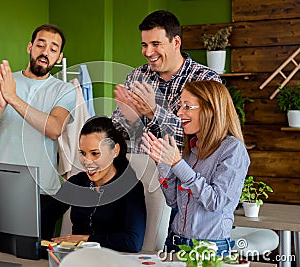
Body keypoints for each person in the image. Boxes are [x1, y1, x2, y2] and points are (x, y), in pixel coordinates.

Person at [141, 80, 250, 256]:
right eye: (180, 105)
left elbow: (216, 202)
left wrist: (177, 164)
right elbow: (173, 201)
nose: (179, 112)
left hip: (208, 250)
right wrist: (163, 163)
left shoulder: (232, 149)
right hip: (174, 243)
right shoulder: (191, 149)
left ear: (211, 110)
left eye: (187, 106)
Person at [0, 24, 76, 206]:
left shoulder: (65, 90)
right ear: (30, 47)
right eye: (40, 45)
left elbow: (54, 129)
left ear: (59, 57)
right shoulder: (1, 82)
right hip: (3, 188)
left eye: (53, 49)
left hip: (43, 191)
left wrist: (13, 98)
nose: (45, 52)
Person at [111, 10, 222, 154]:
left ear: (176, 42)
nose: (148, 52)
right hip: (137, 170)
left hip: (183, 173)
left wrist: (154, 112)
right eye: (144, 45)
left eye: (155, 44)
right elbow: (116, 136)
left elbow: (205, 138)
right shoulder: (136, 76)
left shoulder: (206, 79)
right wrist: (129, 120)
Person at [41, 116, 146, 253]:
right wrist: (44, 248)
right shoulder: (77, 183)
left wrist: (85, 239)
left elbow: (133, 242)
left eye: (95, 154)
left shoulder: (131, 188)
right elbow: (45, 217)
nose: (87, 161)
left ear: (115, 150)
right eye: (83, 153)